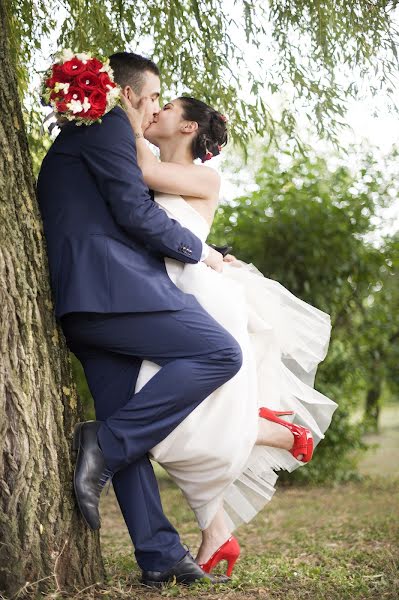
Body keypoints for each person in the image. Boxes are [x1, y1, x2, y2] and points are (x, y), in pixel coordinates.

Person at [36, 51, 243, 587]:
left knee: (124, 423)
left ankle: (159, 553)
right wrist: (200, 253)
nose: (152, 108)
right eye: (152, 97)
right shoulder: (106, 124)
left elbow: (130, 209)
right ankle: (103, 443)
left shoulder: (88, 136)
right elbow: (133, 212)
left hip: (90, 301)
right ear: (128, 94)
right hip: (115, 292)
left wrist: (206, 246)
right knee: (220, 353)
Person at [119, 92, 338, 576]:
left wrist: (127, 115)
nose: (158, 111)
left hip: (198, 296)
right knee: (172, 417)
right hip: (166, 292)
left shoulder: (201, 175)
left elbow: (149, 178)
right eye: (154, 105)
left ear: (189, 128)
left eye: (168, 107)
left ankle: (276, 431)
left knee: (165, 419)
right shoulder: (153, 160)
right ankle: (216, 533)